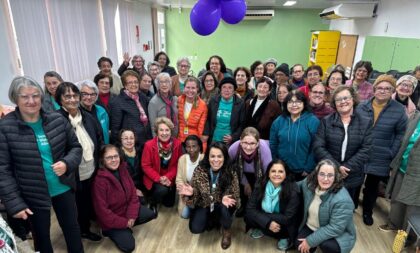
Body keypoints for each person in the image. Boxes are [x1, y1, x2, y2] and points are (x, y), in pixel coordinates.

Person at [0, 76, 84, 253]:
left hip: (63, 188)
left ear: (42, 96)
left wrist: (67, 163)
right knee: (41, 237)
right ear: (15, 98)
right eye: (25, 97)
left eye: (36, 95)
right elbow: (3, 170)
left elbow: (75, 148)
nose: (31, 101)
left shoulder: (57, 120)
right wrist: (15, 203)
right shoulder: (5, 128)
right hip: (32, 194)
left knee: (72, 229)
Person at [356, 74, 408, 226]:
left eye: (387, 88)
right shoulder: (362, 106)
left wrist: (391, 151)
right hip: (360, 151)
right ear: (374, 89)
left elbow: (400, 134)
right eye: (380, 87)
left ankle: (367, 212)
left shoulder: (399, 110)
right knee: (355, 182)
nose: (383, 91)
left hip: (381, 154)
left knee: (372, 186)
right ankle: (351, 206)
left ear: (392, 90)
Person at [55, 82, 103, 242]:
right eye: (67, 96)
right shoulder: (55, 120)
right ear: (59, 99)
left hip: (90, 168)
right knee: (76, 204)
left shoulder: (87, 117)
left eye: (75, 95)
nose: (72, 99)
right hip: (72, 172)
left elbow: (98, 138)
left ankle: (86, 224)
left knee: (87, 200)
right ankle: (81, 230)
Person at [313, 86, 372, 206]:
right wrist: (337, 167)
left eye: (346, 98)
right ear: (334, 103)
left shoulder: (365, 122)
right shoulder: (326, 121)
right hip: (329, 173)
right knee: (326, 206)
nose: (343, 102)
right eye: (338, 99)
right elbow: (318, 146)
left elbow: (366, 149)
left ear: (353, 99)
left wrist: (347, 167)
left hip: (352, 174)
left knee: (346, 207)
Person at [92, 144, 155, 253]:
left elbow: (133, 195)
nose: (113, 160)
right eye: (109, 157)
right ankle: (108, 232)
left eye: (116, 156)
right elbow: (103, 213)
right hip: (111, 220)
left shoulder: (123, 169)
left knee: (150, 214)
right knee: (129, 247)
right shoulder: (99, 181)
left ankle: (126, 228)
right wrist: (124, 223)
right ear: (103, 160)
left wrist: (131, 216)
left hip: (126, 211)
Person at [177, 142, 240, 250]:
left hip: (222, 206)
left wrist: (222, 199)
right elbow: (196, 196)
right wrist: (192, 193)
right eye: (212, 156)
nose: (216, 160)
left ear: (224, 157)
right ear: (208, 157)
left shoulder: (231, 171)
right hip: (205, 204)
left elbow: (235, 195)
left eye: (219, 156)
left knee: (225, 206)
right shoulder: (200, 169)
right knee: (195, 228)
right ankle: (213, 221)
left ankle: (226, 231)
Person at [379, 110, 420, 249]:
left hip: (417, 173)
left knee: (412, 205)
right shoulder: (416, 116)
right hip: (402, 166)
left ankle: (407, 237)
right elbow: (404, 140)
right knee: (396, 199)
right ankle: (393, 224)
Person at [296, 159, 356, 253]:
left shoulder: (343, 199)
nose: (325, 179)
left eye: (330, 175)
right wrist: (280, 185)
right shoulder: (309, 183)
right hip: (312, 226)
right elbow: (295, 186)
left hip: (338, 234)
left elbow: (335, 228)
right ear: (316, 174)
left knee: (328, 246)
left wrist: (310, 241)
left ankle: (321, 245)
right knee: (300, 247)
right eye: (322, 174)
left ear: (336, 176)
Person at [245, 160, 300, 251]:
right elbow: (250, 208)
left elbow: (288, 218)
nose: (276, 174)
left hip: (283, 223)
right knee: (248, 216)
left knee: (287, 224)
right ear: (268, 173)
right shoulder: (261, 183)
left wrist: (264, 219)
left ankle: (284, 237)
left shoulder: (293, 190)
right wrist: (267, 223)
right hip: (268, 219)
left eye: (281, 171)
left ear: (286, 174)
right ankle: (264, 229)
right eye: (273, 171)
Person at [270, 90, 320, 181]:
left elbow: (316, 147)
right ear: (286, 104)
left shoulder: (312, 121)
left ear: (304, 103)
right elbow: (273, 144)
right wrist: (277, 164)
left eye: (298, 102)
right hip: (282, 170)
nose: (294, 105)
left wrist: (308, 168)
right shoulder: (279, 121)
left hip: (303, 171)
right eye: (290, 102)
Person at [141, 117, 182, 214]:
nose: (164, 133)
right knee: (162, 190)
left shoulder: (177, 144)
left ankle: (161, 194)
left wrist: (168, 177)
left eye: (167, 130)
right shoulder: (149, 145)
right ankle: (152, 201)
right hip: (154, 178)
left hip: (169, 178)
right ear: (157, 131)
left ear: (171, 131)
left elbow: (178, 164)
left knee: (169, 204)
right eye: (161, 130)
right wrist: (159, 178)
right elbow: (145, 166)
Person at [228, 127, 272, 216]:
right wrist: (245, 183)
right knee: (238, 185)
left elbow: (268, 174)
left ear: (258, 143)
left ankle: (254, 209)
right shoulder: (233, 148)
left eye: (252, 143)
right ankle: (240, 206)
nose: (248, 147)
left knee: (256, 193)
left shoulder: (264, 150)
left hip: (260, 174)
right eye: (245, 143)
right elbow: (229, 168)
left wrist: (257, 188)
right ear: (240, 140)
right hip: (241, 173)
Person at [109, 70, 152, 148]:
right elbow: (115, 130)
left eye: (136, 82)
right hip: (130, 145)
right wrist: (118, 148)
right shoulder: (117, 102)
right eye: (130, 82)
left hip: (146, 141)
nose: (134, 85)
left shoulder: (142, 97)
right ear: (125, 85)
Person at [203, 77, 245, 145]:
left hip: (229, 142)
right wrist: (206, 133)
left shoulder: (240, 103)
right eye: (224, 87)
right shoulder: (213, 101)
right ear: (221, 89)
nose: (227, 90)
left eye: (230, 88)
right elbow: (208, 119)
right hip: (214, 139)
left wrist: (233, 137)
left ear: (234, 90)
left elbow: (242, 125)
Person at [176, 135, 205, 218]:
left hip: (200, 194)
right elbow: (179, 179)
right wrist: (185, 193)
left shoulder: (204, 159)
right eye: (188, 147)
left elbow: (206, 183)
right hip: (186, 193)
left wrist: (194, 192)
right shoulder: (182, 159)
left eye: (194, 146)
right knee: (184, 215)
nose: (191, 149)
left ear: (199, 147)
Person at [118, 129, 148, 204]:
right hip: (127, 187)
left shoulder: (140, 151)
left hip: (141, 184)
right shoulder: (117, 156)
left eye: (131, 138)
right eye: (125, 138)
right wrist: (134, 189)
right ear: (120, 140)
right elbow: (119, 178)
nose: (129, 141)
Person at [177, 77, 208, 145]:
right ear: (184, 88)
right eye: (188, 87)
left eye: (193, 88)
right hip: (179, 140)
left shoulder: (202, 106)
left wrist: (202, 149)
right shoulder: (178, 100)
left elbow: (201, 129)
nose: (190, 90)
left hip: (193, 143)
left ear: (197, 89)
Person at [78, 80, 110, 144]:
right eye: (85, 94)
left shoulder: (101, 111)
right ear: (79, 95)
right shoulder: (76, 112)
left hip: (103, 149)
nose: (89, 97)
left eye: (92, 94)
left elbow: (106, 132)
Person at [148, 72, 178, 137]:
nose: (164, 85)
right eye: (161, 82)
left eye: (167, 82)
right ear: (157, 85)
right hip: (162, 137)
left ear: (170, 84)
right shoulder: (153, 102)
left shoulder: (175, 99)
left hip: (176, 136)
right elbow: (153, 126)